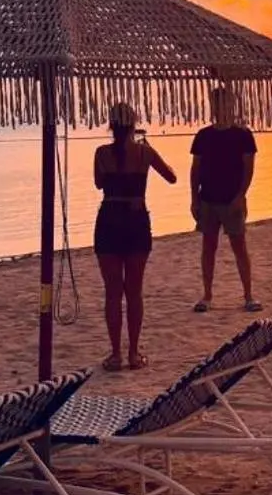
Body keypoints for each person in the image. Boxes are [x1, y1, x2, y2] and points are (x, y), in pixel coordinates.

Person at [93, 102, 177, 371]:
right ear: (133, 124)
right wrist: (148, 150)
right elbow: (172, 178)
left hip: (109, 220)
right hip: (136, 220)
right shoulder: (144, 153)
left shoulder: (102, 153)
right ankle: (133, 353)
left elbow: (99, 183)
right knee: (134, 291)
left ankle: (116, 354)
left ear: (111, 125)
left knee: (112, 293)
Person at [191, 86, 261, 313]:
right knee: (208, 246)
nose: (220, 108)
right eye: (217, 104)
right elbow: (196, 168)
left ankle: (248, 295)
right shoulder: (204, 135)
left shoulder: (243, 135)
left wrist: (241, 196)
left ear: (232, 106)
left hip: (232, 198)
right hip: (208, 198)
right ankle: (207, 295)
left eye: (225, 104)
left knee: (239, 246)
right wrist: (194, 198)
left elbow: (248, 169)